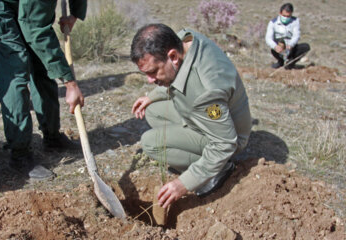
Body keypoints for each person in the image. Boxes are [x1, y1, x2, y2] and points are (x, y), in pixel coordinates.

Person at [131, 24, 252, 208]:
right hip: (204, 117)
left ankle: (218, 171)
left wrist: (184, 183)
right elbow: (179, 77)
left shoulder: (207, 93)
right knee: (153, 111)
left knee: (150, 143)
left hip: (228, 136)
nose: (149, 80)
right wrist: (151, 96)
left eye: (153, 72)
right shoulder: (185, 41)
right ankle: (193, 150)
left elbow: (225, 143)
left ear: (172, 56)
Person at [0, 0, 86, 180]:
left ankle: (52, 136)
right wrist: (70, 83)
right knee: (14, 69)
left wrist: (75, 14)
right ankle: (20, 155)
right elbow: (37, 32)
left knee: (41, 63)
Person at [265, 3, 310, 69]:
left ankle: (291, 63)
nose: (286, 18)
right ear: (280, 13)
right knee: (275, 47)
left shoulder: (295, 21)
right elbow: (268, 38)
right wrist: (275, 47)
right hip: (279, 47)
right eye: (284, 16)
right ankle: (281, 62)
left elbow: (296, 35)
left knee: (305, 47)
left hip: (290, 47)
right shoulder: (273, 23)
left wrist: (291, 44)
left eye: (288, 16)